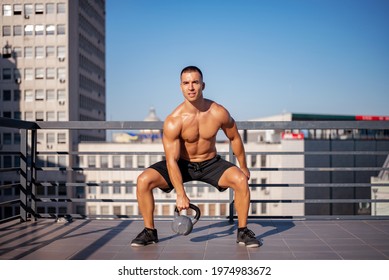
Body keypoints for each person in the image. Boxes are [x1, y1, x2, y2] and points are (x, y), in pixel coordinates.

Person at [131, 66, 262, 248]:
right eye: (186, 83)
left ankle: (242, 231)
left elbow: (234, 137)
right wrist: (180, 194)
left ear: (203, 85)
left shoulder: (218, 112)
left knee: (240, 180)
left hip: (211, 163)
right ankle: (149, 232)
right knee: (143, 180)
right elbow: (171, 160)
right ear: (181, 87)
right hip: (182, 164)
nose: (191, 87)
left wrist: (244, 166)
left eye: (195, 82)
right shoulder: (174, 120)